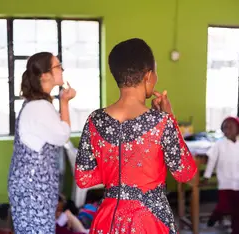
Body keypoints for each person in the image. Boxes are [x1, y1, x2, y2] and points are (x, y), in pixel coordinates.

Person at [74, 38, 197, 234]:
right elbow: (186, 172)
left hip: (108, 220)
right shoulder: (162, 122)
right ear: (148, 76)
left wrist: (116, 172)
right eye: (156, 73)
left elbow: (84, 178)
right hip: (149, 221)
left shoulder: (94, 120)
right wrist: (170, 116)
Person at [8, 52, 76, 233]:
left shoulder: (38, 104)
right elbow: (63, 135)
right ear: (44, 75)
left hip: (33, 189)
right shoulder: (39, 107)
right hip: (33, 191)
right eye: (57, 66)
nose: (62, 69)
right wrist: (64, 102)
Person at [202, 116, 239, 234]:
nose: (227, 129)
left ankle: (237, 230)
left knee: (238, 211)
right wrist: (207, 176)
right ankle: (214, 217)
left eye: (230, 127)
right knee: (223, 206)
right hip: (225, 183)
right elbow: (212, 160)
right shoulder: (219, 144)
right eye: (224, 127)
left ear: (238, 130)